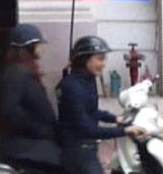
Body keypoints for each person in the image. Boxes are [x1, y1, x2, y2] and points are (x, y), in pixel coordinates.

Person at [57, 36, 145, 174]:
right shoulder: (71, 86)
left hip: (88, 147)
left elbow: (92, 111)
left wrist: (116, 118)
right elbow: (86, 128)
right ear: (84, 59)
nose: (103, 64)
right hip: (77, 152)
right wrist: (124, 131)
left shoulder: (88, 80)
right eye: (99, 59)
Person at [0, 24, 62, 174]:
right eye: (38, 44)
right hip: (25, 151)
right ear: (28, 47)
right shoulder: (15, 74)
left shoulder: (26, 70)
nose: (41, 48)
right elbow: (10, 111)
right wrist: (40, 130)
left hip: (36, 148)